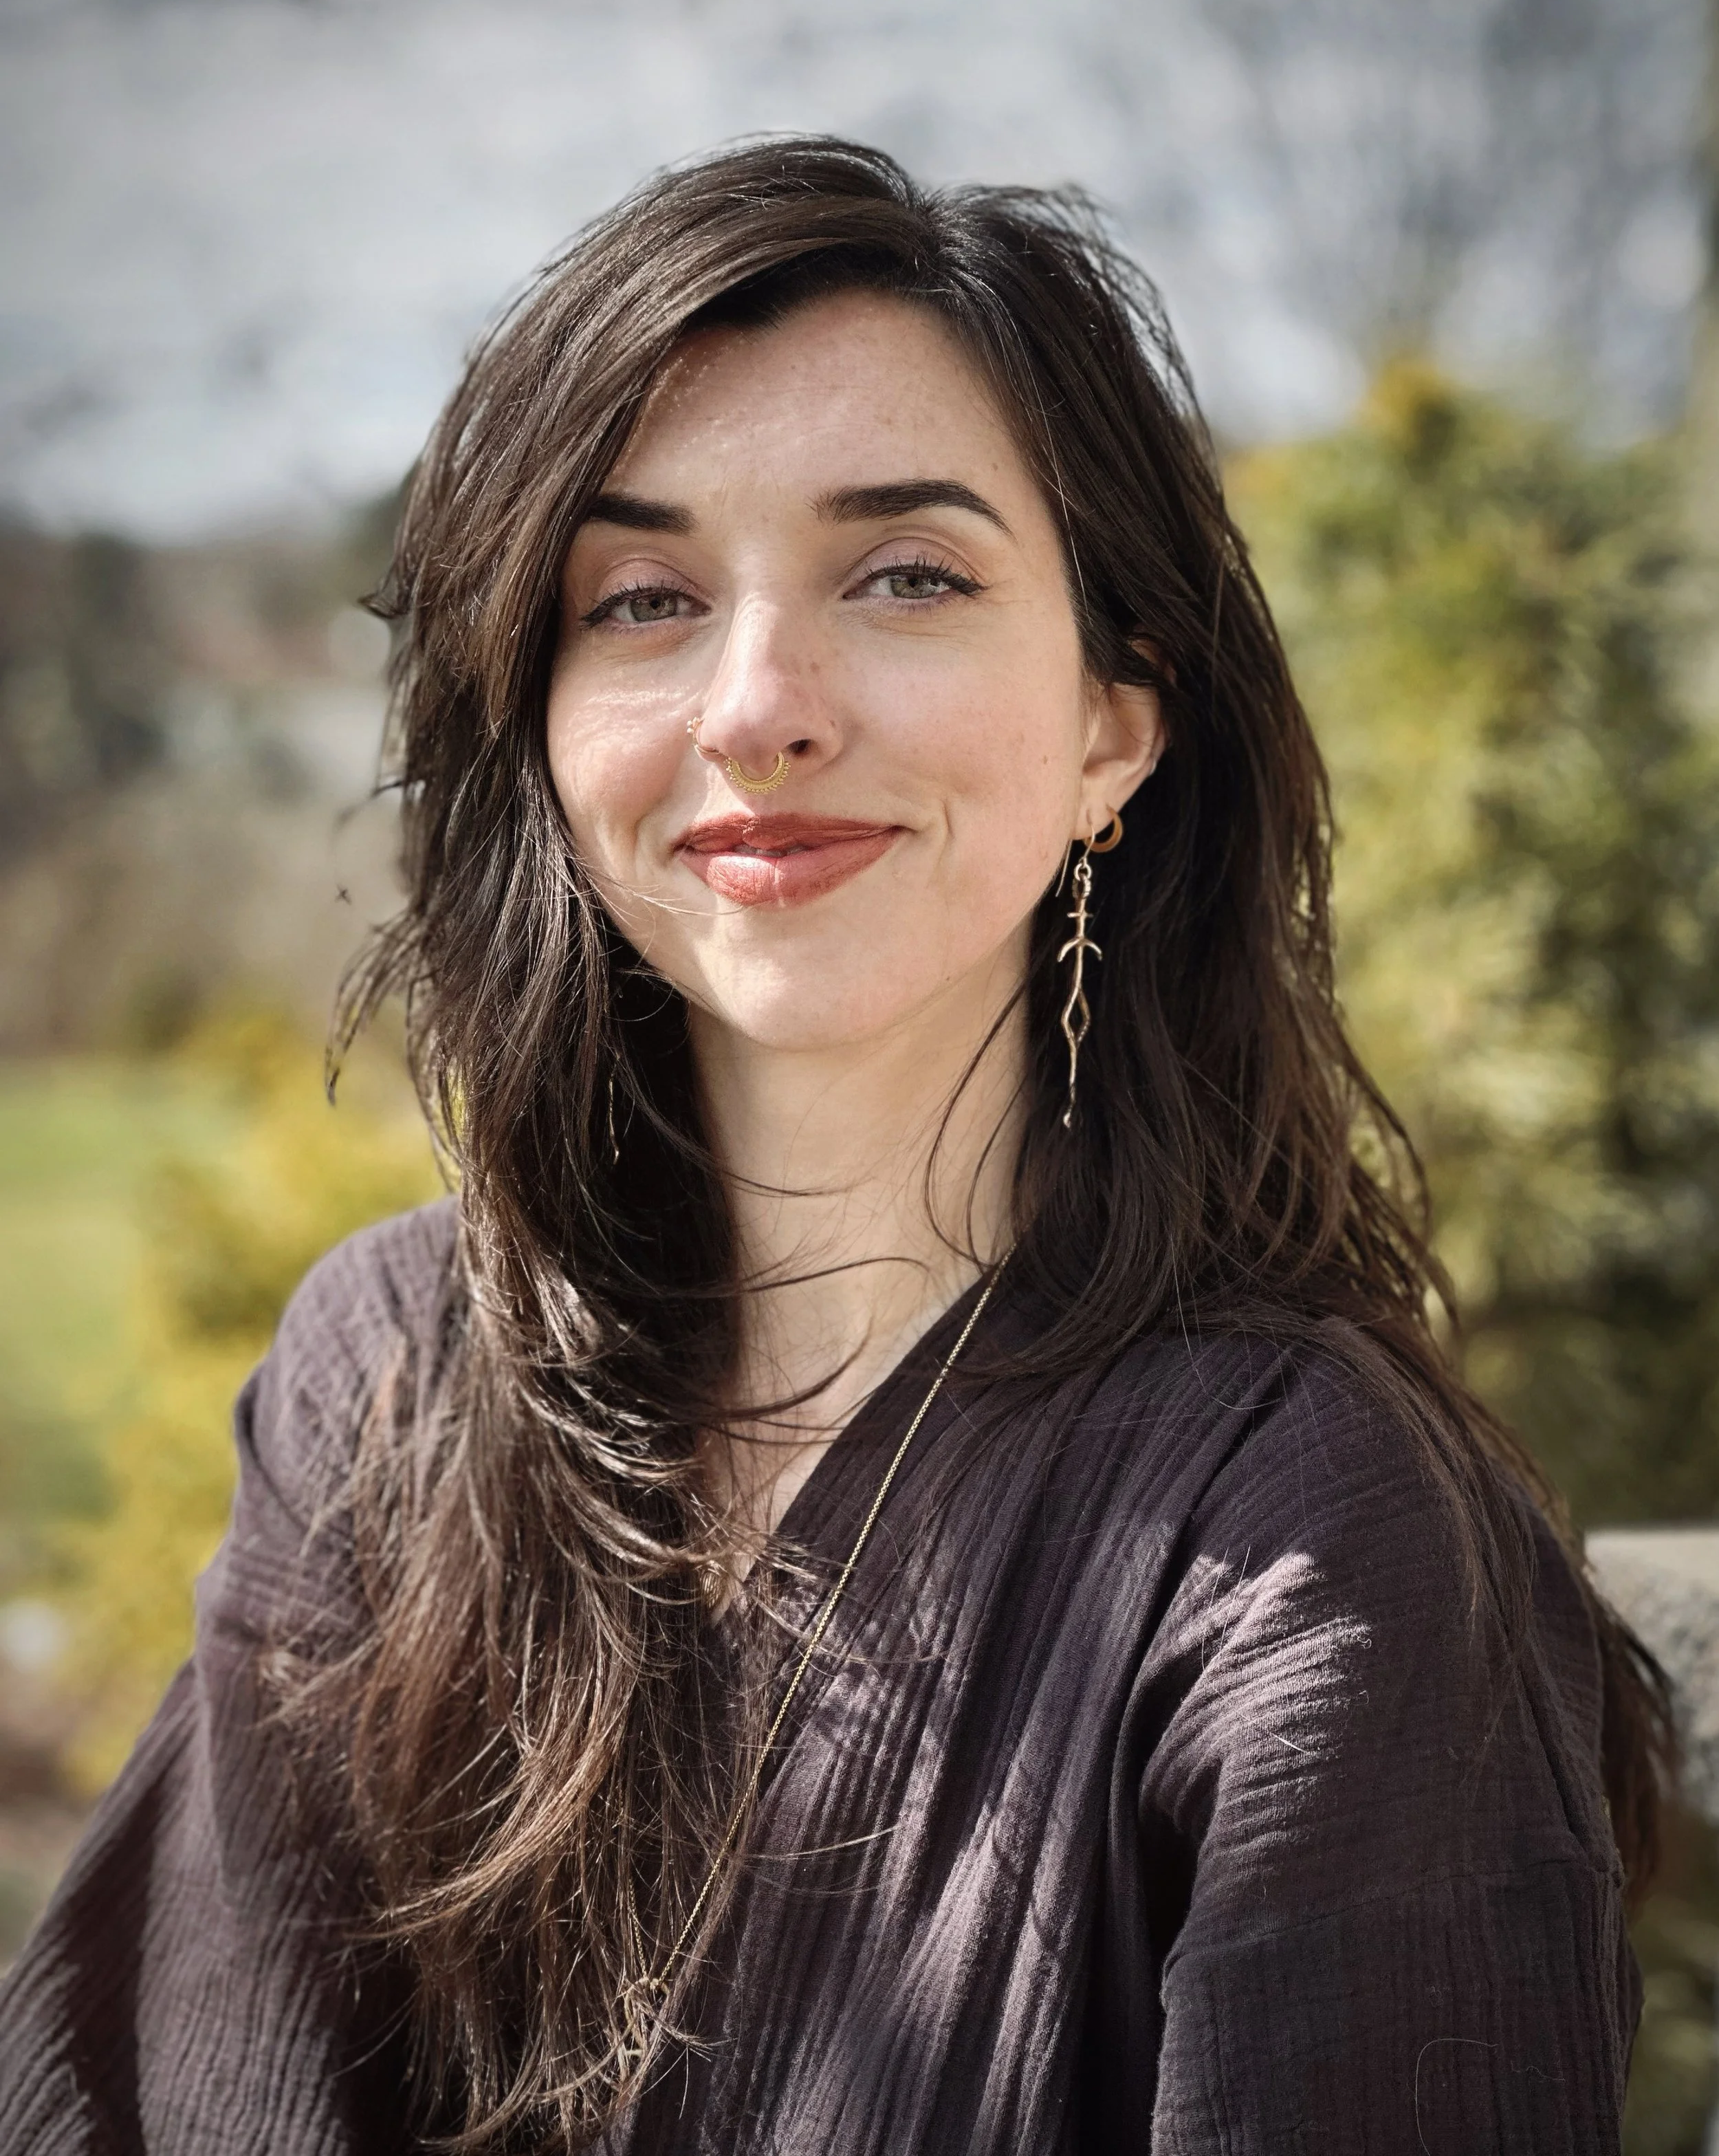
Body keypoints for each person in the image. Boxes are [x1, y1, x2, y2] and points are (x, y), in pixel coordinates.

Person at [0, 138, 1667, 2154]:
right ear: (541, 729)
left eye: (906, 575)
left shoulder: (1316, 1541)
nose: (756, 704)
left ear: (1113, 725)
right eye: (641, 597)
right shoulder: (389, 1380)